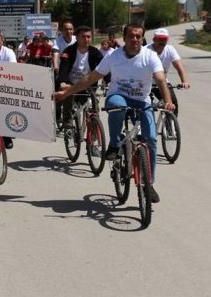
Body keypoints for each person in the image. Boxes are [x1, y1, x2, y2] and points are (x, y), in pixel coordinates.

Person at [55, 23, 175, 203]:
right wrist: (67, 93)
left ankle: (149, 183)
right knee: (116, 105)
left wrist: (168, 100)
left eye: (138, 36)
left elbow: (160, 79)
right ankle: (114, 143)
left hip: (142, 101)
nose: (135, 39)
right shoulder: (113, 56)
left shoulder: (150, 56)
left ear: (142, 38)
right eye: (131, 36)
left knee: (151, 139)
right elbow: (91, 77)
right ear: (124, 38)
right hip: (119, 96)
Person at [56, 26, 106, 129]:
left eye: (89, 37)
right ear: (77, 38)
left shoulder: (95, 52)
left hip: (88, 85)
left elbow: (104, 67)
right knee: (68, 95)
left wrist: (108, 81)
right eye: (83, 37)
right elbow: (64, 67)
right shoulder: (68, 51)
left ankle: (94, 127)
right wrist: (63, 82)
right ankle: (68, 121)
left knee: (94, 106)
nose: (86, 39)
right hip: (71, 84)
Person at [146, 28, 191, 115]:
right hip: (145, 84)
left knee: (172, 104)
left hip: (162, 83)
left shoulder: (170, 49)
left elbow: (179, 67)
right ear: (154, 39)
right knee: (146, 108)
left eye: (164, 39)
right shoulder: (146, 50)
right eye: (159, 39)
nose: (162, 42)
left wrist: (184, 81)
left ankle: (171, 123)